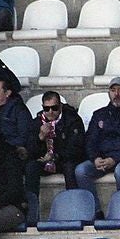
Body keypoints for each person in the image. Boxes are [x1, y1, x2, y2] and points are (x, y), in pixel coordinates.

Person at [75, 77, 120, 196]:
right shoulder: (99, 114)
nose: (117, 94)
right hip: (103, 158)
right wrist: (95, 158)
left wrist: (114, 159)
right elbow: (90, 140)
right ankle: (96, 211)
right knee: (81, 170)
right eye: (113, 90)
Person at [23, 90, 84, 223]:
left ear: (60, 106)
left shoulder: (72, 120)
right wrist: (40, 138)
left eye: (54, 108)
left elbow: (76, 149)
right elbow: (30, 151)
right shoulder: (36, 123)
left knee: (70, 168)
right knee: (31, 167)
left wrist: (55, 156)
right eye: (47, 108)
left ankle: (74, 212)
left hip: (63, 159)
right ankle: (31, 215)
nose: (50, 112)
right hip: (44, 160)